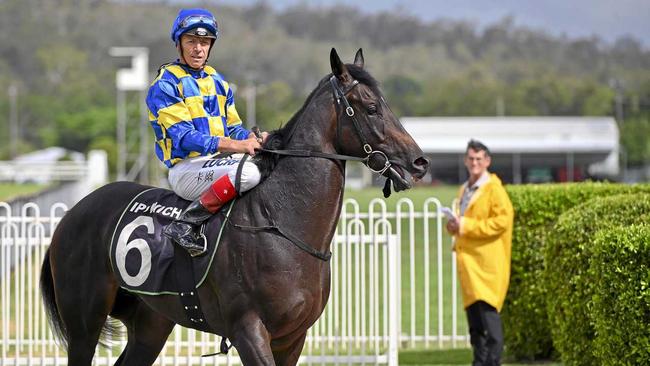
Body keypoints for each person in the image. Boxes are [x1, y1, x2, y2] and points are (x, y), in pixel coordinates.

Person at [146, 8, 268, 256]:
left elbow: (233, 127)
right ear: (179, 43)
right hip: (186, 169)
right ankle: (186, 224)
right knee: (250, 174)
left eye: (204, 42)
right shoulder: (166, 83)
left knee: (268, 164)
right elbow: (185, 137)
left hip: (218, 163)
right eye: (191, 41)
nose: (198, 48)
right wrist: (237, 146)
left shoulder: (217, 81)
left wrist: (252, 139)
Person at [446, 139, 514, 366]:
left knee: (489, 322)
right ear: (466, 161)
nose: (474, 163)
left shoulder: (495, 189)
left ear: (487, 161)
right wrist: (453, 227)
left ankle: (493, 362)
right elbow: (462, 221)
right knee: (475, 326)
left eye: (479, 159)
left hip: (487, 266)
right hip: (469, 266)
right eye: (471, 159)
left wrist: (465, 226)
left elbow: (502, 222)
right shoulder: (465, 189)